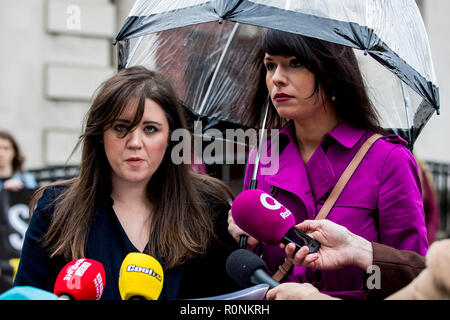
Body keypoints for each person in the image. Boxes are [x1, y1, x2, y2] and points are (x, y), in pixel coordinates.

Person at [227, 29, 428, 299]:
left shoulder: (388, 159)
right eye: (270, 65)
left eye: (294, 63)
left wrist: (364, 255)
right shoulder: (262, 158)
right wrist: (247, 243)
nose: (277, 78)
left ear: (331, 72)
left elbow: (417, 277)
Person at [14, 66, 239, 300]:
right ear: (100, 135)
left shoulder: (208, 208)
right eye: (121, 128)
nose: (135, 142)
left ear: (172, 137)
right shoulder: (56, 210)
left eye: (150, 129)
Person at [266, 220, 450, 300]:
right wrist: (355, 248)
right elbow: (425, 280)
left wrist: (305, 298)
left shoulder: (391, 157)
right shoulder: (267, 150)